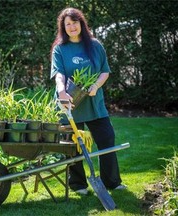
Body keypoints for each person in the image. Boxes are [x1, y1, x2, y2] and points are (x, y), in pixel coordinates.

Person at [50, 7, 126, 195]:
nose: (72, 26)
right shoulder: (60, 49)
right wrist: (61, 92)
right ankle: (78, 184)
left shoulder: (95, 45)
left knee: (106, 138)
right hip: (70, 103)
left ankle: (112, 181)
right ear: (64, 28)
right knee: (72, 145)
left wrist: (96, 86)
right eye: (67, 24)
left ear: (81, 23)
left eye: (74, 22)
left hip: (93, 102)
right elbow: (59, 74)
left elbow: (104, 71)